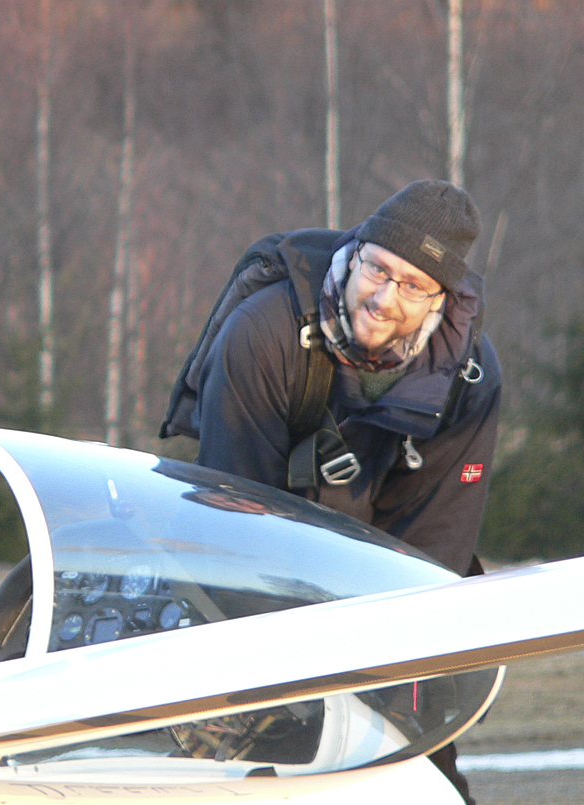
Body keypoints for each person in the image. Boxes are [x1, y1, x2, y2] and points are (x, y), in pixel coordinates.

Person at [190, 180, 500, 803]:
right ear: (354, 252)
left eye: (413, 285)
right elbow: (235, 528)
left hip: (390, 586)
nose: (384, 298)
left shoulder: (468, 377)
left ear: (444, 296)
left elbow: (434, 548)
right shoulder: (264, 333)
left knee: (421, 772)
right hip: (266, 575)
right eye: (377, 268)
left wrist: (393, 686)